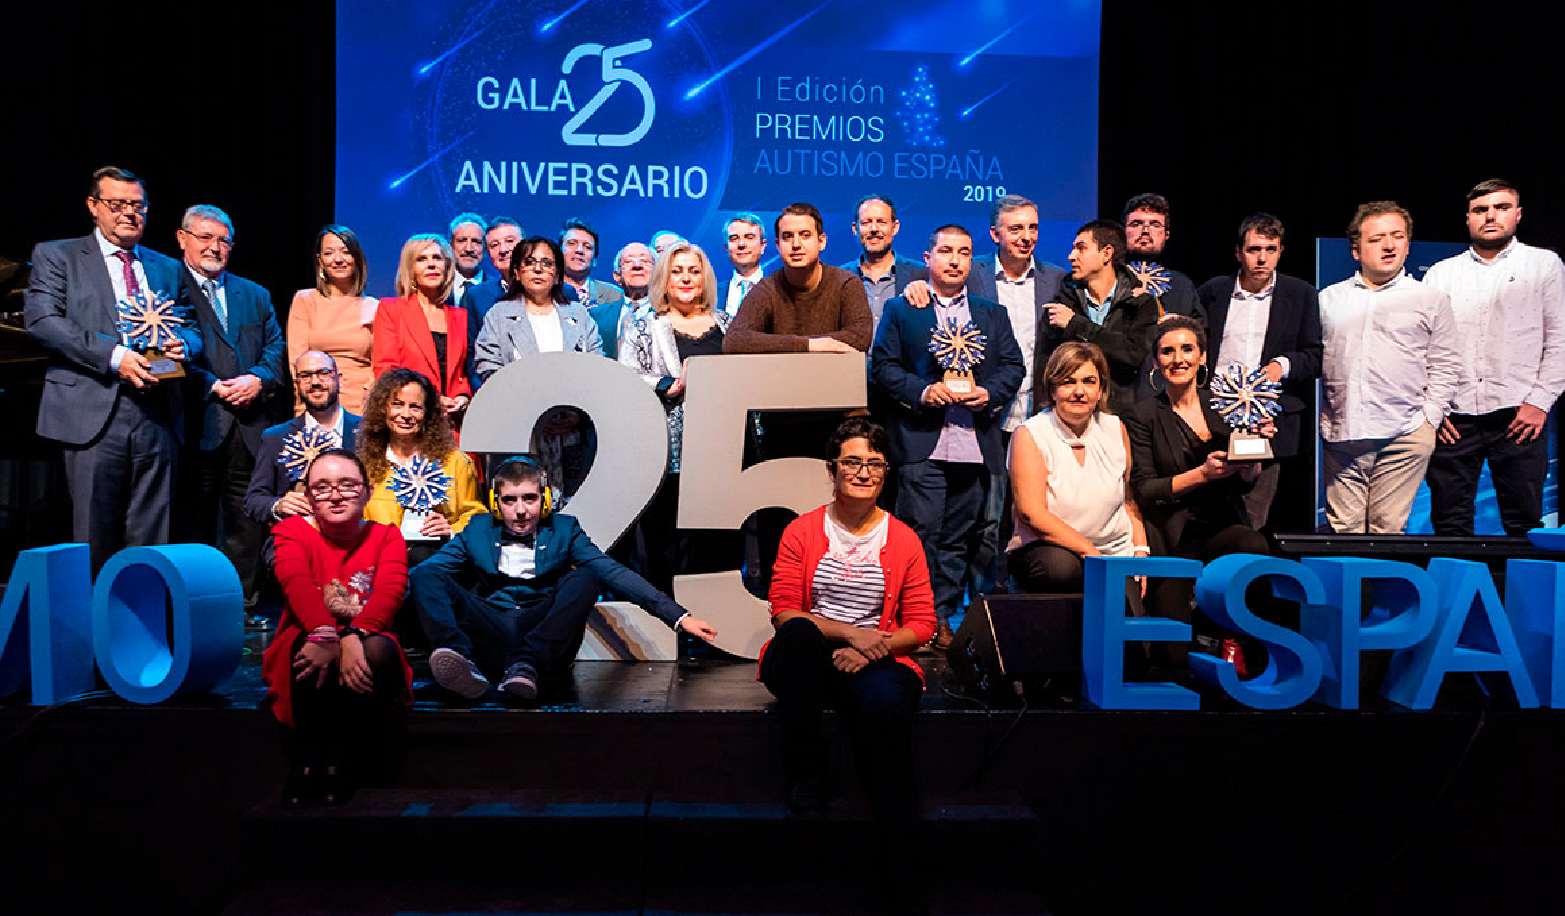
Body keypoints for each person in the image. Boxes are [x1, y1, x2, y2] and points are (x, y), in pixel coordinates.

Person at [408, 456, 718, 701]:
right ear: (495, 503)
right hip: (491, 626)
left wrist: (678, 617)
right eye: (510, 500)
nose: (520, 510)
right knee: (425, 573)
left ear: (544, 501)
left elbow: (613, 572)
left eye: (529, 499)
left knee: (587, 576)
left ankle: (527, 666)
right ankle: (460, 660)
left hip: (541, 633)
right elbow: (427, 576)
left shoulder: (566, 529)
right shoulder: (476, 529)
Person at [759, 417, 934, 830]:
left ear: (886, 473)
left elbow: (923, 622)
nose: (863, 473)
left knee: (886, 701)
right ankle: (808, 775)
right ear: (832, 468)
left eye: (874, 464)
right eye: (852, 462)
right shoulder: (802, 530)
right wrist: (850, 634)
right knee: (798, 635)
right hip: (813, 656)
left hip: (875, 657)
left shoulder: (904, 538)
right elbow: (783, 609)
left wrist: (872, 648)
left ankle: (893, 819)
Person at [24, 166, 201, 572]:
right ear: (93, 206)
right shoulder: (58, 255)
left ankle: (143, 625)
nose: (128, 213)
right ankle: (94, 629)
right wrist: (115, 356)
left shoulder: (166, 267)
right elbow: (43, 320)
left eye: (137, 205)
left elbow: (192, 326)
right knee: (93, 534)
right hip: (93, 408)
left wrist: (183, 346)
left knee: (154, 535)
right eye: (117, 204)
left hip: (158, 411)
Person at [871, 224, 1025, 650]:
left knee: (959, 539)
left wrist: (989, 392)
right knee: (918, 534)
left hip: (975, 446)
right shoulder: (904, 309)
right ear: (928, 257)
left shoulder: (991, 313)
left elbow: (1013, 366)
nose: (954, 259)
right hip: (923, 442)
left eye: (963, 252)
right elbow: (883, 367)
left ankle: (940, 618)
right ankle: (910, 618)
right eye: (945, 251)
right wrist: (923, 391)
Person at [262, 447, 411, 808]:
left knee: (377, 651)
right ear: (308, 495)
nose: (335, 494)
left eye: (347, 484)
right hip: (308, 632)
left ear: (367, 491)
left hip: (367, 634)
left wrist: (354, 635)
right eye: (322, 486)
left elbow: (390, 592)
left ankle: (340, 760)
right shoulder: (291, 530)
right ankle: (308, 761)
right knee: (310, 653)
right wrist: (327, 634)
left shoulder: (386, 536)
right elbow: (295, 581)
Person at [1124, 317, 1271, 673]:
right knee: (1172, 660)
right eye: (1167, 351)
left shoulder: (1228, 405)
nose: (1178, 359)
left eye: (1187, 349)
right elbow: (1145, 489)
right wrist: (1201, 474)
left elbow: (1246, 480)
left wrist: (1255, 454)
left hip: (1220, 528)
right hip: (1172, 540)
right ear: (1156, 362)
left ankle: (1233, 635)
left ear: (1203, 357)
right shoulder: (1142, 415)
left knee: (1252, 545)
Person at [1422, 179, 1565, 536]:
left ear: (1517, 214)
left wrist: (1539, 402)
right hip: (1454, 418)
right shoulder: (1441, 273)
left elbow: (1559, 339)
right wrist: (1433, 408)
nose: (1490, 216)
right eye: (1480, 210)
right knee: (1449, 523)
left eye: (1501, 208)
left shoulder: (1543, 265)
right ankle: (1453, 593)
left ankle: (1520, 594)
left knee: (1524, 523)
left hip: (1519, 412)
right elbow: (1422, 349)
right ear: (1468, 218)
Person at [1319, 202, 1461, 535]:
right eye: (1378, 238)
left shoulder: (1430, 299)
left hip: (1405, 434)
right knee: (1344, 535)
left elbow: (1445, 364)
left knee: (1387, 532)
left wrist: (1429, 420)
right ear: (1356, 250)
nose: (1389, 245)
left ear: (1408, 244)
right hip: (1344, 438)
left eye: (1397, 236)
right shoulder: (1328, 300)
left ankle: (1386, 588)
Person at [177, 204, 287, 610]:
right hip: (195, 421)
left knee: (245, 522)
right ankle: (192, 608)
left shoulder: (254, 294)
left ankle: (239, 605)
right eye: (205, 237)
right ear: (182, 239)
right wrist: (212, 386)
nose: (215, 247)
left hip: (248, 423)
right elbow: (164, 350)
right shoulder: (168, 286)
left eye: (223, 240)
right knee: (195, 517)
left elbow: (277, 346)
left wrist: (257, 378)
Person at [619, 241, 736, 591]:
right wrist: (666, 384)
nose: (685, 279)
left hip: (721, 452)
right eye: (677, 271)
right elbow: (624, 377)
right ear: (664, 278)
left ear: (705, 279)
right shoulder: (644, 324)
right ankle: (668, 631)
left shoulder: (727, 323)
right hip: (667, 454)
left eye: (694, 271)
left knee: (718, 547)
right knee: (666, 544)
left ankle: (717, 634)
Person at [1196, 213, 1324, 531]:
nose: (1262, 258)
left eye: (1271, 249)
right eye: (1254, 249)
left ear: (1281, 251)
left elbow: (1315, 356)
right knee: (1205, 509)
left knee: (1251, 518)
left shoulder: (1301, 294)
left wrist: (1283, 365)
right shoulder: (1214, 290)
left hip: (1267, 420)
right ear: (1238, 252)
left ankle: (1243, 574)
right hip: (1213, 414)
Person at [1007, 342, 1150, 594]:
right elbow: (1031, 513)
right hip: (1051, 548)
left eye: (1089, 381)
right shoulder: (1030, 434)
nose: (1079, 391)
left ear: (1101, 389)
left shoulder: (1116, 428)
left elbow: (1127, 499)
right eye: (1068, 382)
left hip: (1112, 551)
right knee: (1061, 569)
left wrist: (1140, 549)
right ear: (1052, 390)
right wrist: (1089, 552)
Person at [474, 236, 603, 497]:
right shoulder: (498, 315)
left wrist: (576, 414)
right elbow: (489, 367)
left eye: (547, 263)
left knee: (571, 509)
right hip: (518, 432)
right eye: (530, 262)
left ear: (557, 274)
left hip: (571, 432)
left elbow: (596, 368)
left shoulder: (577, 315)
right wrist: (531, 412)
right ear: (517, 272)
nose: (538, 268)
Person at [357, 368, 485, 566]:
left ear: (427, 413)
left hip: (436, 561)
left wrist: (450, 529)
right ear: (383, 409)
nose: (406, 414)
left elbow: (476, 516)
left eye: (415, 407)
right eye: (397, 405)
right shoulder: (364, 465)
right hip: (379, 562)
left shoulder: (455, 462)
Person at [1034, 219, 1159, 417]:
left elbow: (1132, 354)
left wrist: (1076, 324)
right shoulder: (1061, 304)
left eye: (1081, 248)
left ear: (1106, 253)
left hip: (1123, 417)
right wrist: (1042, 416)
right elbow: (1045, 366)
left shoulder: (1139, 303)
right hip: (1070, 417)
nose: (1071, 256)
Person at [723, 202, 873, 355]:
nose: (796, 244)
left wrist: (784, 345)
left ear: (821, 242)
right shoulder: (768, 287)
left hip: (834, 375)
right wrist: (809, 345)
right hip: (782, 377)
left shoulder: (846, 284)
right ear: (778, 245)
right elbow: (734, 340)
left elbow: (859, 337)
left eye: (805, 235)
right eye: (787, 237)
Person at [246, 351, 363, 527]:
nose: (315, 382)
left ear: (339, 379)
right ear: (297, 384)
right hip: (296, 537)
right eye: (306, 376)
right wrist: (278, 505)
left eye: (323, 373)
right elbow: (253, 501)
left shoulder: (366, 431)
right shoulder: (276, 437)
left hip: (355, 534)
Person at [372, 234, 473, 423]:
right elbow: (386, 371)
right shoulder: (391, 310)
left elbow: (463, 374)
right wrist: (430, 399)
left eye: (437, 258)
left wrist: (464, 397)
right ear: (411, 269)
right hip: (410, 419)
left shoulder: (460, 316)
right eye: (421, 259)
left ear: (447, 267)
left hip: (453, 424)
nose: (431, 265)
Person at [286, 224, 377, 415]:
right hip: (315, 401)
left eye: (345, 252)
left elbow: (378, 366)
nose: (338, 260)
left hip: (360, 406)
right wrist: (304, 405)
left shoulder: (373, 306)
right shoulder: (305, 300)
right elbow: (297, 361)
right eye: (329, 253)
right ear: (320, 261)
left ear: (356, 258)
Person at [838, 194, 924, 328]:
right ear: (855, 229)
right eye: (866, 222)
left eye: (881, 222)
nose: (874, 229)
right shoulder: (838, 278)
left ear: (895, 227)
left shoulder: (921, 274)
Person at [1121, 192, 1203, 321]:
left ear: (1166, 234)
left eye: (1155, 225)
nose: (1145, 231)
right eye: (1136, 224)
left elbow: (1200, 333)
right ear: (1123, 231)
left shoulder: (1182, 286)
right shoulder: (1106, 280)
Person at [590, 241, 655, 360]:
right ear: (617, 276)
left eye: (645, 261)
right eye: (628, 261)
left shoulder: (669, 314)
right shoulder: (596, 317)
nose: (637, 265)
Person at [461, 216, 524, 328]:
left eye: (510, 241)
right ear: (488, 253)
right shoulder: (476, 297)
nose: (503, 250)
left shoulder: (555, 290)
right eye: (494, 245)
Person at [560, 217, 624, 309]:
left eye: (587, 247)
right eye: (572, 243)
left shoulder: (615, 296)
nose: (579, 250)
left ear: (594, 260)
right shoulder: (544, 290)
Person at [721, 213, 767, 317]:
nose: (741, 244)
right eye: (734, 238)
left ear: (762, 245)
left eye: (749, 237)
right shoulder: (711, 295)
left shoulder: (782, 291)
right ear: (726, 248)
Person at [448, 211, 490, 306]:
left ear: (486, 248)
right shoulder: (436, 288)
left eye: (476, 242)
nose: (468, 249)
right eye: (462, 241)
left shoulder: (500, 292)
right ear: (451, 246)